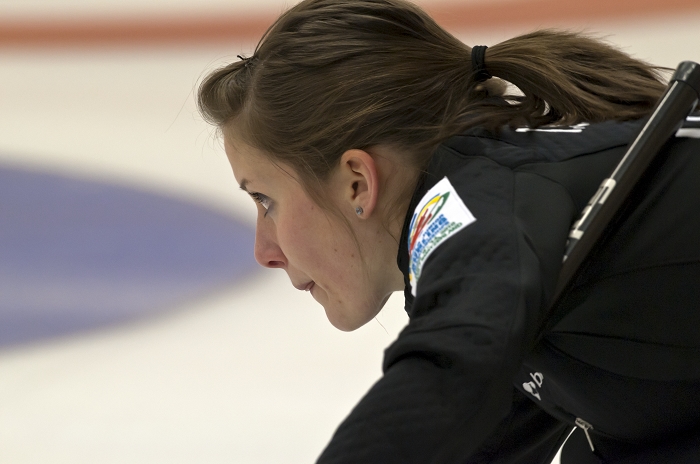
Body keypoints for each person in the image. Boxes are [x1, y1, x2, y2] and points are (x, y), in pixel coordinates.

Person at [196, 0, 700, 462]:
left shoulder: (473, 200)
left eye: (266, 200)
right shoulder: (504, 190)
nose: (265, 251)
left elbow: (448, 374)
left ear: (357, 183)